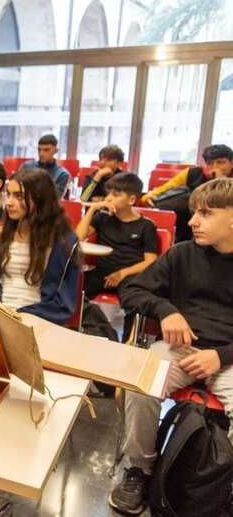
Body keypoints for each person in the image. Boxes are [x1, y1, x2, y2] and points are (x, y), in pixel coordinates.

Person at [109, 178, 233, 515]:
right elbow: (132, 291)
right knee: (142, 381)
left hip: (229, 358)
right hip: (181, 349)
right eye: (193, 213)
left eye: (205, 214)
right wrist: (167, 311)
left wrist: (219, 356)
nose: (192, 221)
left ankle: (222, 485)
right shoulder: (181, 254)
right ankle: (140, 470)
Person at [0, 167, 80, 325]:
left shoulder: (63, 244)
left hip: (39, 321)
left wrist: (20, 316)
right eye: (9, 194)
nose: (9, 203)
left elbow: (63, 304)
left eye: (19, 196)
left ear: (40, 199)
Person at [75, 172, 158, 299]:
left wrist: (122, 273)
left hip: (129, 274)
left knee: (133, 297)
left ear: (131, 200)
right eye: (108, 193)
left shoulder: (146, 226)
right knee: (73, 287)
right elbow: (77, 238)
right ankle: (84, 318)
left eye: (115, 195)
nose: (108, 198)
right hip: (102, 272)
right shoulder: (103, 217)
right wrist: (92, 209)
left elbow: (150, 261)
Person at [142, 144, 233, 243]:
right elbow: (163, 190)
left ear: (231, 163)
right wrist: (147, 197)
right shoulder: (191, 173)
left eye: (221, 162)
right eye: (210, 163)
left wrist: (220, 180)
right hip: (188, 221)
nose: (215, 167)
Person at [21, 134, 71, 198]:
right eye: (39, 149)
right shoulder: (26, 167)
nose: (41, 154)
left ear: (55, 151)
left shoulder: (62, 174)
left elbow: (54, 199)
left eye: (46, 150)